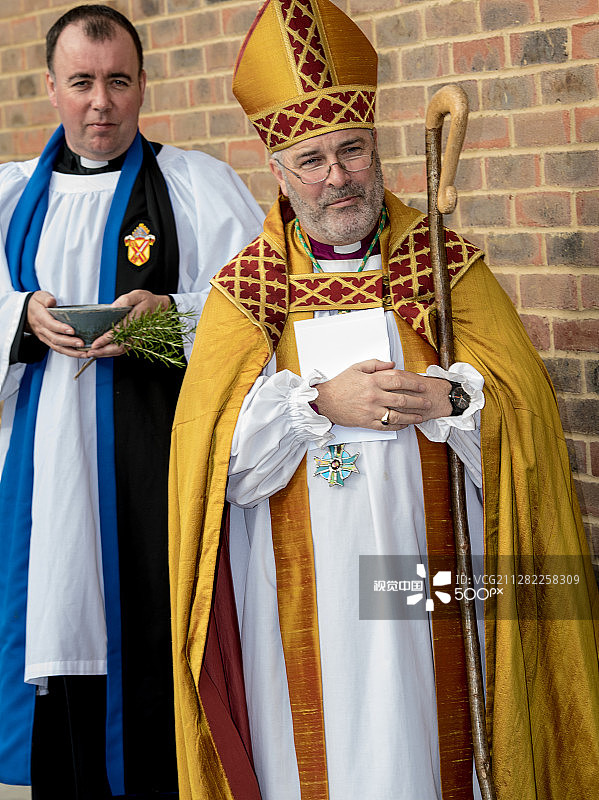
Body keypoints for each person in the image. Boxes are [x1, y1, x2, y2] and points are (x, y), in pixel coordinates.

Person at [169, 1, 599, 798]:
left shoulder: (445, 268)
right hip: (301, 605)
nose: (337, 176)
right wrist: (315, 406)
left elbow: (524, 418)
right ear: (277, 169)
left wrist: (450, 400)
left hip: (432, 587)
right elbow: (211, 461)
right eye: (312, 159)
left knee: (436, 748)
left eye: (352, 150)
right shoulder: (246, 294)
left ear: (376, 146)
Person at [0, 5, 263, 799]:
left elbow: (256, 310)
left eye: (118, 82)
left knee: (147, 641)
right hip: (42, 475)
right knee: (50, 625)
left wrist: (168, 319)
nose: (101, 103)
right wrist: (22, 313)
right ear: (52, 88)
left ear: (144, 83)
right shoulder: (12, 197)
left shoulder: (195, 186)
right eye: (81, 83)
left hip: (152, 467)